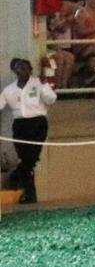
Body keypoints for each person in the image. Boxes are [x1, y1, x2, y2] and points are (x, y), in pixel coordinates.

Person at [0, 58, 57, 204]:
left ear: (30, 70)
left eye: (25, 68)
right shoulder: (9, 90)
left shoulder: (38, 83)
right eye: (19, 68)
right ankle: (30, 196)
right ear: (15, 71)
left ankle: (16, 178)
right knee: (27, 161)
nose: (22, 71)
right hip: (20, 126)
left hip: (37, 124)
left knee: (30, 159)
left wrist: (44, 85)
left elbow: (51, 99)